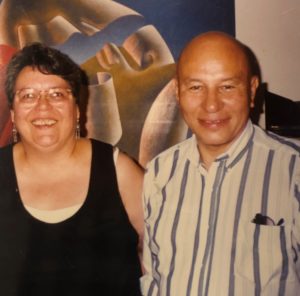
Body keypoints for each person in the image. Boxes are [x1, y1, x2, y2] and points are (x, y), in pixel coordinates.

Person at [141, 31, 300, 295]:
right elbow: (154, 277)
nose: (211, 104)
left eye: (227, 86)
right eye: (195, 87)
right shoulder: (159, 172)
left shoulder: (293, 172)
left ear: (251, 91)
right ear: (178, 92)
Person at [0, 43, 144, 295]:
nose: (42, 107)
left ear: (77, 109)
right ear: (12, 111)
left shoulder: (118, 171)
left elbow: (162, 255)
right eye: (28, 96)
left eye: (57, 94)